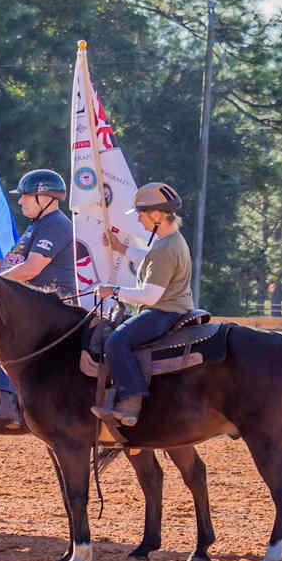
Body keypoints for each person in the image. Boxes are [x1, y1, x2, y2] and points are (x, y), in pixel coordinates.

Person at [0, 168, 76, 428]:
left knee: (1, 330)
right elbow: (16, 264)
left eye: (25, 196)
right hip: (34, 304)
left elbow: (31, 269)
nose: (20, 201)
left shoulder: (57, 225)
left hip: (53, 306)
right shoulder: (39, 226)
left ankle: (9, 402)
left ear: (44, 197)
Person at [90, 182, 194, 427]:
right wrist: (120, 248)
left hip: (163, 312)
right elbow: (149, 260)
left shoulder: (164, 248)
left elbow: (149, 296)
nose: (139, 220)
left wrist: (112, 291)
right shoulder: (170, 241)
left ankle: (131, 401)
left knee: (117, 341)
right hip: (175, 308)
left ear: (157, 215)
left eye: (141, 214)